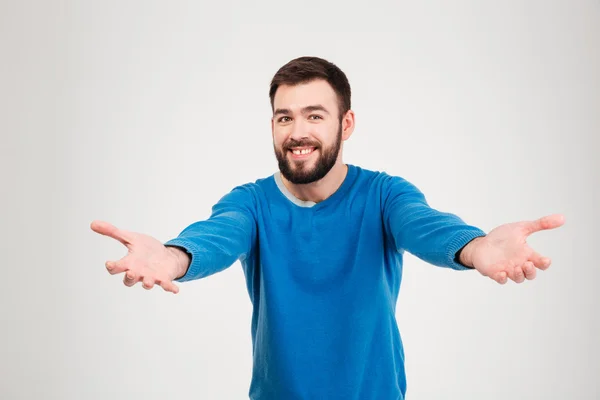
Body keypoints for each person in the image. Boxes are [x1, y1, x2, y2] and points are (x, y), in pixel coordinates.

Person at [90, 56, 565, 400]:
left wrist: (476, 247)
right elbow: (216, 236)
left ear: (347, 123)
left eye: (315, 116)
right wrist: (172, 257)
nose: (297, 133)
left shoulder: (384, 195)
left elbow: (425, 226)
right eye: (284, 117)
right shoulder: (251, 203)